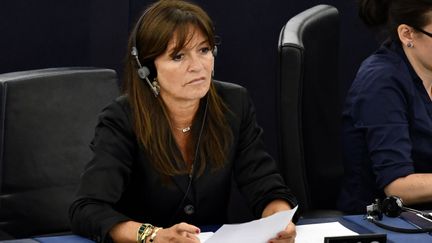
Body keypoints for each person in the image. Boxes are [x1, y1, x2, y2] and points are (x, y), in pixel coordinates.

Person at [69, 0, 297, 242]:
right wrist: (153, 235)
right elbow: (87, 209)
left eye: (204, 50)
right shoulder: (123, 119)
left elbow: (265, 184)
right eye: (178, 56)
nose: (198, 66)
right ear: (147, 69)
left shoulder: (234, 104)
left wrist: (280, 220)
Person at [338, 0, 432, 214]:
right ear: (407, 34)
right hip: (381, 223)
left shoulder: (427, 68)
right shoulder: (380, 82)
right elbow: (398, 185)